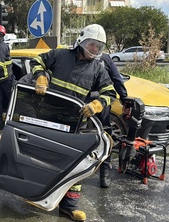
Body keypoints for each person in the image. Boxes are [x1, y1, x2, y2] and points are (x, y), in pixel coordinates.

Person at [29, 24, 116, 221]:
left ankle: (69, 206)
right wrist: (40, 76)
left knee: (74, 164)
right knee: (42, 158)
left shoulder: (97, 68)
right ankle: (33, 194)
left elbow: (110, 92)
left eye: (99, 46)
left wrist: (97, 104)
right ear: (82, 41)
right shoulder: (60, 55)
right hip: (47, 117)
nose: (95, 49)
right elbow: (37, 61)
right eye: (92, 45)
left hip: (74, 122)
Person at [97, 53, 128, 188]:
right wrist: (124, 98)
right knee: (105, 137)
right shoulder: (105, 59)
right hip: (101, 104)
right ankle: (104, 175)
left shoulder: (76, 56)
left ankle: (103, 174)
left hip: (83, 104)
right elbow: (117, 79)